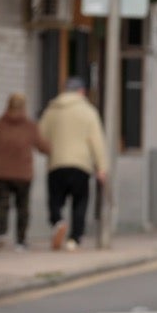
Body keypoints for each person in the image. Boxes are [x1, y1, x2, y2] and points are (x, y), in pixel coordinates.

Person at [38, 76, 109, 252]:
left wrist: (48, 150)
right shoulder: (88, 111)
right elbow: (97, 141)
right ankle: (74, 239)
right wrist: (101, 167)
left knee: (55, 200)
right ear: (81, 92)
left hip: (56, 163)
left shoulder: (51, 110)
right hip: (80, 165)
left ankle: (58, 222)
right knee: (80, 202)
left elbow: (40, 135)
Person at [0, 93, 49, 251]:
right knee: (22, 207)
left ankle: (2, 234)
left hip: (0, 172)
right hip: (23, 174)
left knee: (2, 204)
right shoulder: (30, 126)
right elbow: (43, 147)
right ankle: (20, 241)